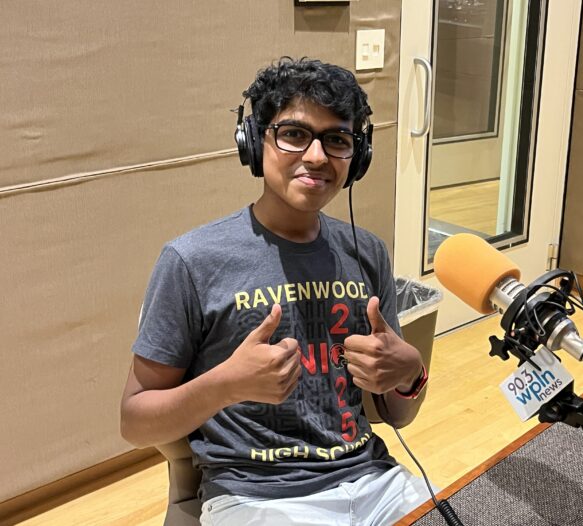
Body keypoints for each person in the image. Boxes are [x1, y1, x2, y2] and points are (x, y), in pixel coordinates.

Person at [120, 57, 432, 525]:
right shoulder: (192, 261)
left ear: (358, 157)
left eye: (337, 140)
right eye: (294, 134)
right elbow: (134, 421)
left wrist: (411, 372)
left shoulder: (368, 252)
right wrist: (225, 384)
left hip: (375, 481)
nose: (317, 157)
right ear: (254, 142)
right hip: (256, 497)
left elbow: (398, 416)